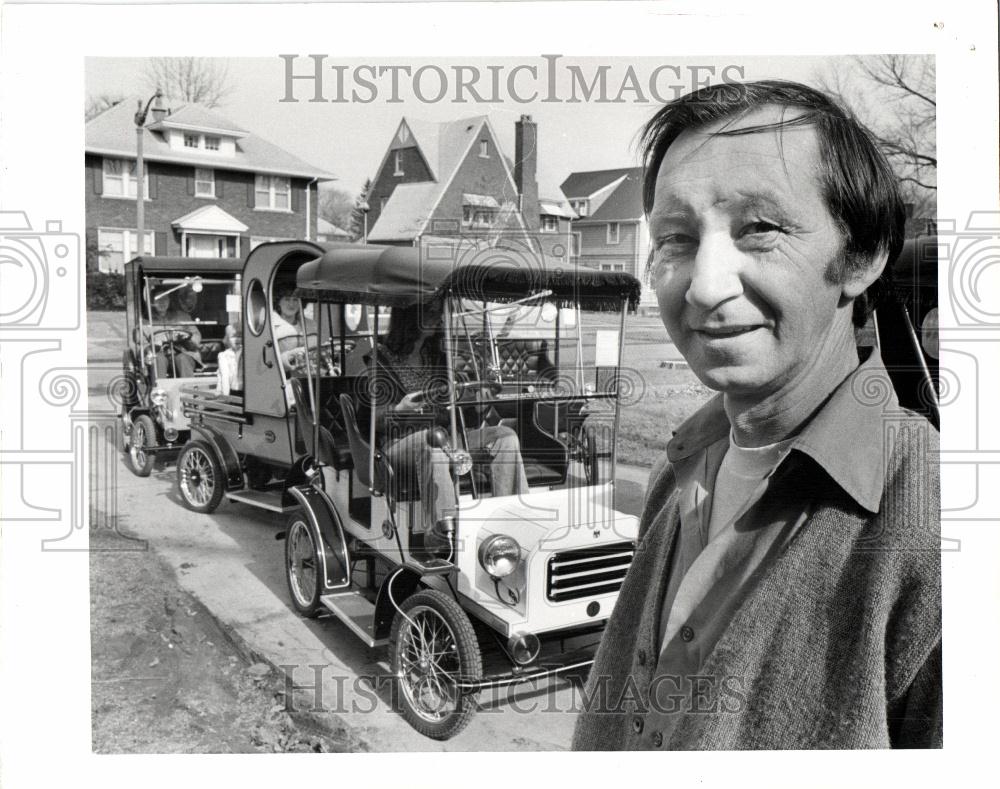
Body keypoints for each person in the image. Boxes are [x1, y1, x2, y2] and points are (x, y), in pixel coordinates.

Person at [572, 81, 940, 750]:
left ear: (861, 257)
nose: (706, 285)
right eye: (675, 240)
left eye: (760, 228)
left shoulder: (934, 528)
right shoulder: (675, 476)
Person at [364, 303, 529, 543]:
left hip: (447, 437)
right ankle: (443, 534)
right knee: (432, 442)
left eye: (439, 313)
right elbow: (376, 421)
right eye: (431, 311)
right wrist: (400, 408)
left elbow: (459, 416)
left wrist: (479, 407)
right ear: (409, 315)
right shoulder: (380, 360)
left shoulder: (438, 358)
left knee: (505, 436)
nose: (438, 317)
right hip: (399, 442)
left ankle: (509, 520)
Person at [148, 287, 202, 377]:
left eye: (165, 298)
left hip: (184, 353)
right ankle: (159, 389)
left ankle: (187, 389)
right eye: (158, 299)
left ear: (169, 301)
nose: (162, 302)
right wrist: (153, 344)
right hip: (159, 355)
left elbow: (196, 335)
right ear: (152, 303)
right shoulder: (147, 320)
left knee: (182, 358)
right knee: (158, 359)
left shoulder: (183, 316)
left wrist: (186, 338)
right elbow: (141, 341)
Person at [216, 323, 243, 396]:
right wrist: (225, 395)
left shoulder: (247, 353)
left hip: (247, 390)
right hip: (233, 390)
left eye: (240, 336)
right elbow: (224, 375)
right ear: (227, 339)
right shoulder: (224, 355)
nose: (237, 339)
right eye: (233, 336)